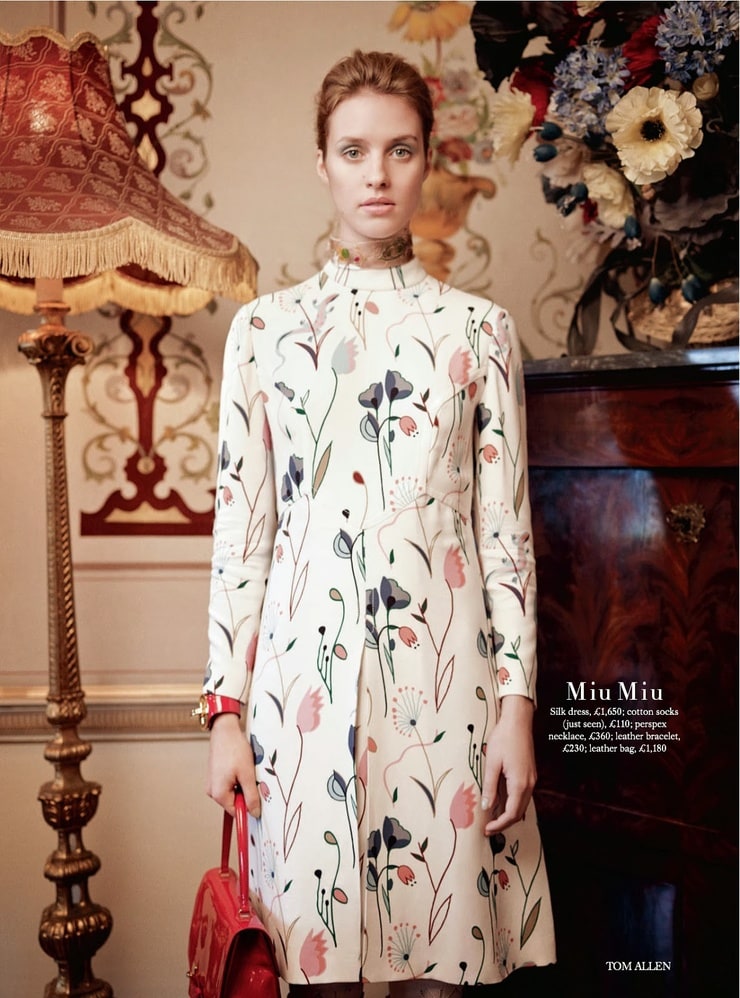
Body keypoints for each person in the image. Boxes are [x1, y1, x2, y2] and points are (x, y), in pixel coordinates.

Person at [201, 49, 556, 998]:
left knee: (439, 971)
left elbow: (506, 537)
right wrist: (225, 717)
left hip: (448, 695)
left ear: (427, 159)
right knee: (315, 970)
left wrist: (516, 712)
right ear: (321, 162)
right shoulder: (264, 333)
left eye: (400, 150)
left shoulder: (480, 331)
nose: (378, 175)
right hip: (296, 702)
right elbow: (242, 537)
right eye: (354, 151)